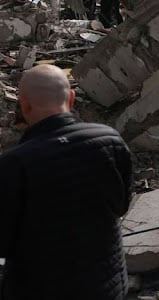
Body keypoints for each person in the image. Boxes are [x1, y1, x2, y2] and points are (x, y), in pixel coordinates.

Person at [0, 64, 133, 300]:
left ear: (24, 105)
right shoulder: (110, 140)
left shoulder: (14, 164)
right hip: (107, 287)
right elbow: (121, 205)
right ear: (71, 98)